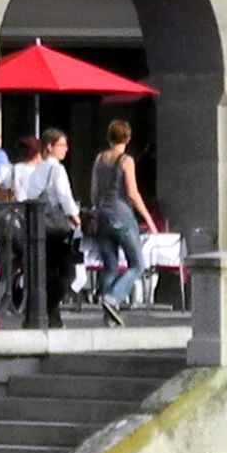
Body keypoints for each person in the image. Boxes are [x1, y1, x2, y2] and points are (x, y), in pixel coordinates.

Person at [86, 119, 158, 324]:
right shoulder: (126, 161)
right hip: (122, 216)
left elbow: (94, 191)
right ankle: (113, 298)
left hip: (102, 217)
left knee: (110, 266)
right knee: (137, 265)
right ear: (127, 138)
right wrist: (148, 218)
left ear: (109, 137)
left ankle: (108, 316)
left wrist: (97, 210)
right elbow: (132, 193)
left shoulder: (100, 159)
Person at [16, 130, 85, 328]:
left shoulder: (37, 169)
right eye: (62, 145)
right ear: (50, 147)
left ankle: (52, 318)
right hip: (56, 227)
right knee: (66, 273)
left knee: (47, 272)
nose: (66, 149)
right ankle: (46, 309)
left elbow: (27, 195)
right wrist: (76, 217)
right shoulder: (56, 169)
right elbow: (64, 195)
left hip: (38, 226)